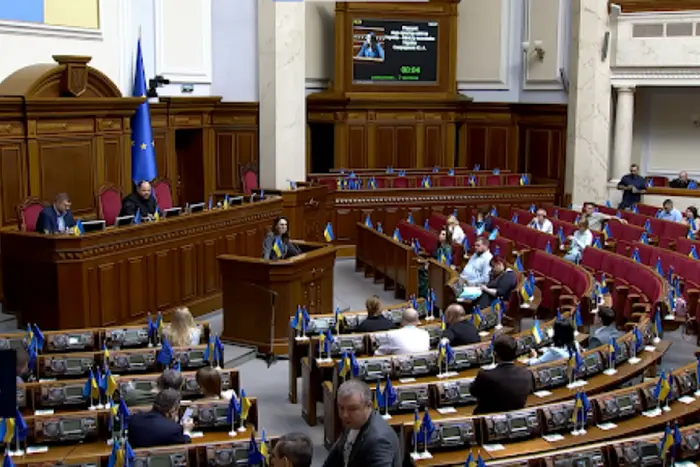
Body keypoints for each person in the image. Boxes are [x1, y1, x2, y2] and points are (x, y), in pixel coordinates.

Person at [323, 380, 401, 467]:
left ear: (369, 406)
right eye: (341, 408)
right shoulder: (353, 423)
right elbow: (333, 459)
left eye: (352, 409)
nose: (344, 415)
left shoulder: (379, 441)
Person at [469, 334, 533, 414]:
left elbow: (473, 391)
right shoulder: (526, 374)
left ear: (495, 354)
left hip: (486, 417)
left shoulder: (485, 376)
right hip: (516, 415)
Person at [128, 389, 192, 448]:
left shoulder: (133, 420)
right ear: (172, 410)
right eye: (177, 409)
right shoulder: (175, 429)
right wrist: (187, 430)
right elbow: (186, 445)